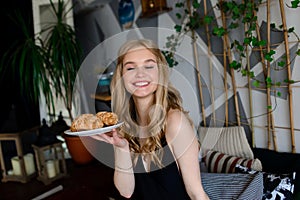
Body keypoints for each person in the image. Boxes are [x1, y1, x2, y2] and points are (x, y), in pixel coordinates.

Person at [92, 39, 209, 200]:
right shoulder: (124, 123)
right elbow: (126, 191)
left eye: (149, 66)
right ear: (122, 76)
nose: (140, 74)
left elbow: (196, 193)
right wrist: (122, 149)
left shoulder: (175, 121)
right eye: (131, 68)